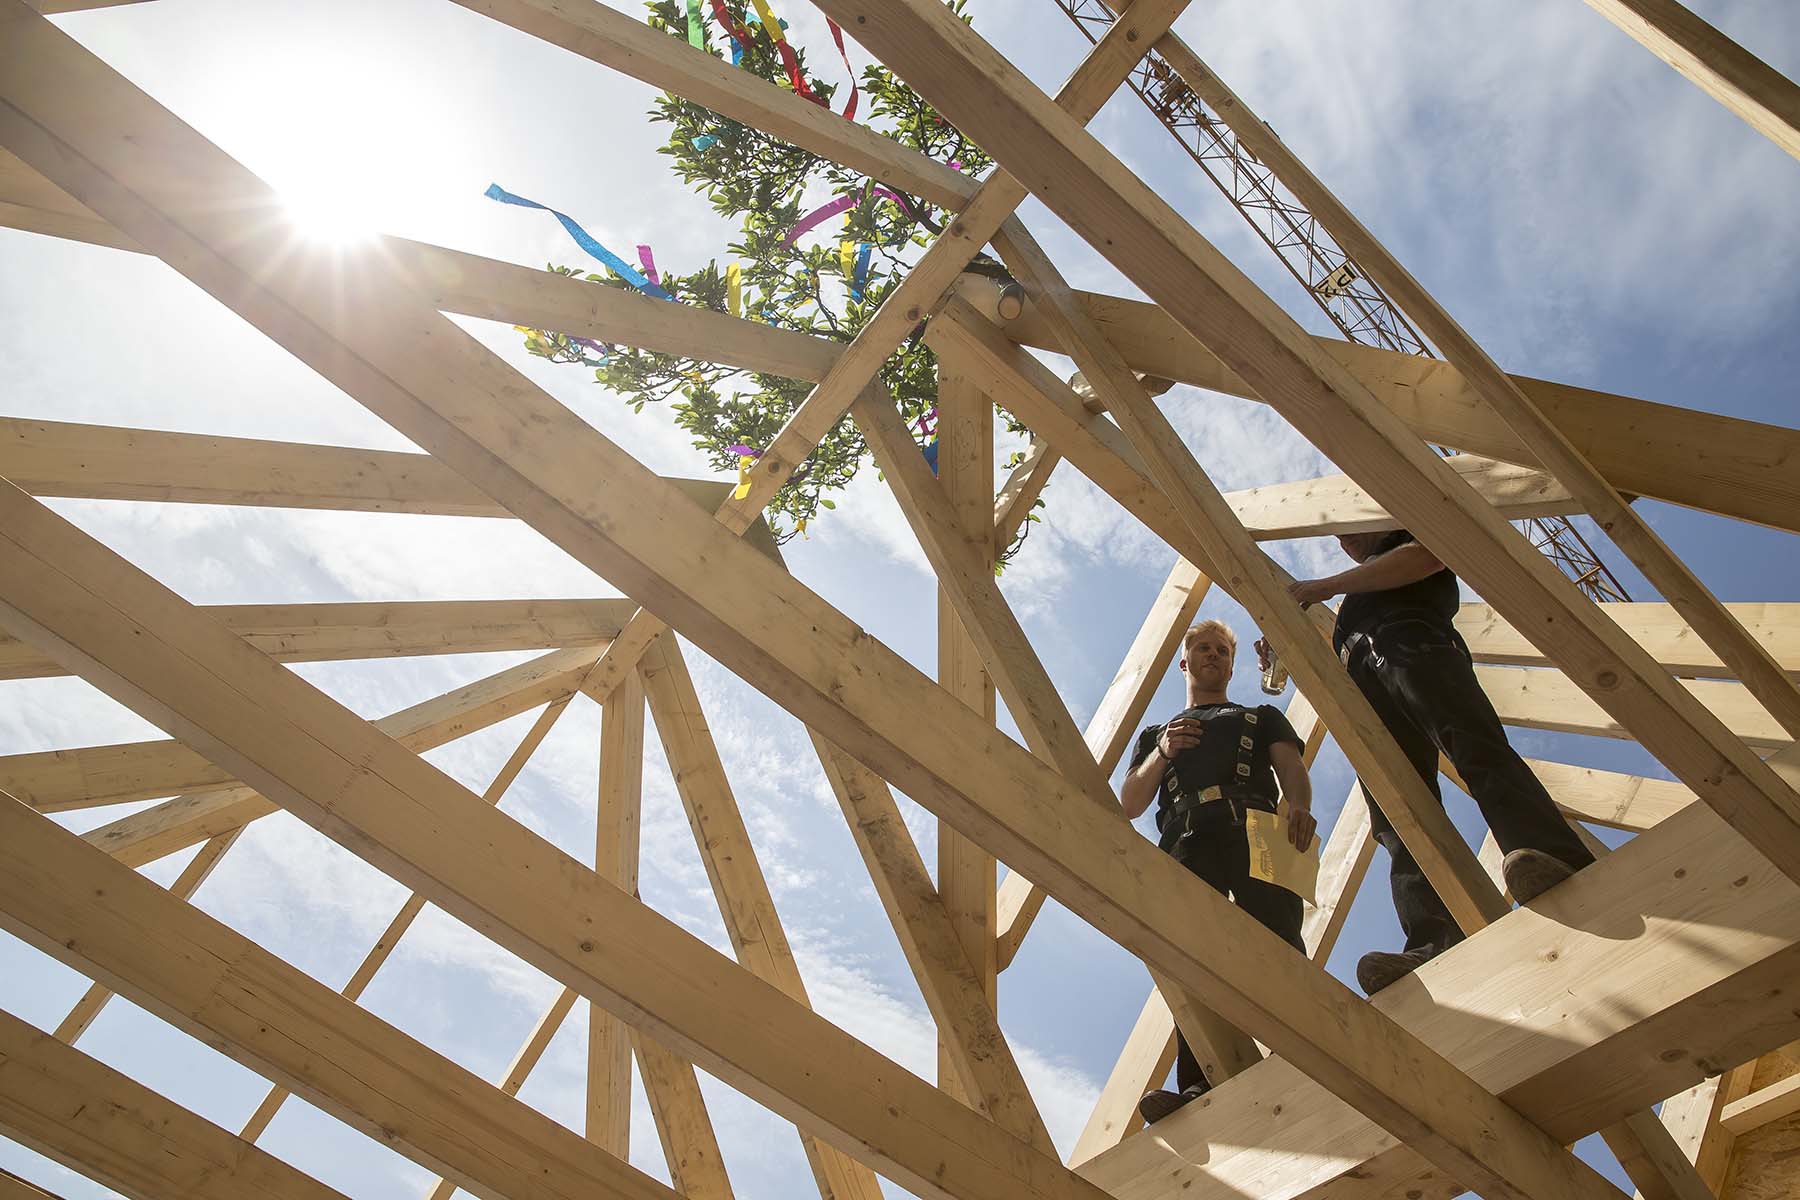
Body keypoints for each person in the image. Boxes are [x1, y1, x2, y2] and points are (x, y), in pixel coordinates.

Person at [1274, 529, 1595, 996]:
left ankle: (1554, 854)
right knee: (1396, 816)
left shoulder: (1406, 544)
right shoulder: (1357, 597)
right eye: (1339, 539)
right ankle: (1434, 939)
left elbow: (1425, 559)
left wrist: (1321, 587)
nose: (1345, 542)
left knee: (1474, 747)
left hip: (1412, 643)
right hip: (1367, 684)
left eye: (1351, 529)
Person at [1122, 619, 1316, 1124]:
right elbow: (1130, 802)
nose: (1213, 656)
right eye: (1204, 649)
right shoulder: (1157, 735)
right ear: (1184, 662)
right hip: (1186, 837)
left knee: (1277, 939)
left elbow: (1292, 769)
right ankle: (1198, 1082)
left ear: (1231, 667)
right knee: (1194, 957)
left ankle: (1312, 1050)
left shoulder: (1260, 716)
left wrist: (1298, 805)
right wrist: (1163, 752)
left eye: (1223, 652)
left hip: (1255, 828)